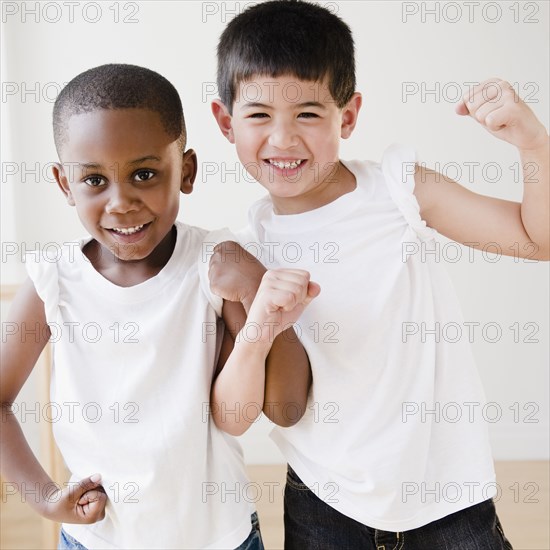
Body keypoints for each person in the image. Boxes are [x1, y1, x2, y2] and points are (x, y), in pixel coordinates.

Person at [208, 1, 549, 548]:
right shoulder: (250, 254)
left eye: (309, 114)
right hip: (324, 504)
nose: (283, 138)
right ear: (226, 122)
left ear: (348, 115)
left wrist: (533, 143)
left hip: (447, 499)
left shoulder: (398, 190)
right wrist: (260, 309)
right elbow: (277, 410)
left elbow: (539, 241)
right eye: (258, 115)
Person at [0, 63, 318, 550]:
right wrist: (44, 498)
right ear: (65, 184)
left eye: (144, 174)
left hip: (220, 537)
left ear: (185, 171)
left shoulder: (215, 266)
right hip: (98, 541)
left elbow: (287, 406)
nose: (121, 201)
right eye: (93, 181)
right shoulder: (53, 281)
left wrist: (258, 290)